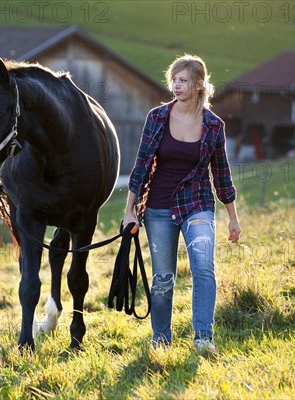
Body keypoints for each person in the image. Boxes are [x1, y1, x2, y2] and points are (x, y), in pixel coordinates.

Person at [122, 54, 241, 352]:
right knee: (163, 278)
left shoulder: (214, 125)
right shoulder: (157, 117)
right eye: (174, 79)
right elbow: (140, 165)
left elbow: (221, 173)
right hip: (158, 208)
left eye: (183, 80)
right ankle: (161, 340)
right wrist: (129, 211)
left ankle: (203, 338)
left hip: (197, 204)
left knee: (203, 268)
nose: (176, 85)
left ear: (199, 84)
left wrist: (233, 217)